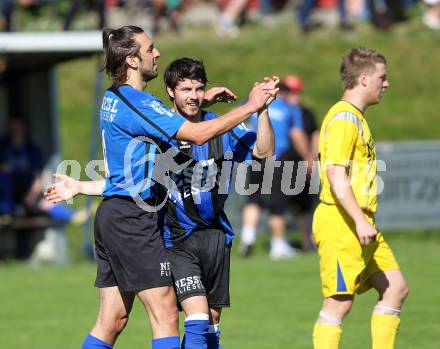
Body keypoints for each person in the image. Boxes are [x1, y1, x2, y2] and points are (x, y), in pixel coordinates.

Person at [45, 25, 277, 349]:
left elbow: (148, 138)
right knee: (167, 311)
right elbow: (195, 135)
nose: (157, 53)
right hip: (133, 219)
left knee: (112, 320)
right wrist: (250, 107)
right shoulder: (138, 103)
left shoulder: (115, 97)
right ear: (132, 60)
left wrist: (199, 99)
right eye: (150, 48)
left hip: (115, 212)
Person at [312, 47, 408, 349]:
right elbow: (335, 174)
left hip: (359, 221)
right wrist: (358, 220)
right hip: (342, 222)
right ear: (364, 78)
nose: (387, 83)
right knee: (338, 303)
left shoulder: (355, 117)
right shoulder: (343, 118)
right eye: (383, 77)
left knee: (395, 289)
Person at [239, 79, 312, 259]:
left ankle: (247, 238)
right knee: (276, 203)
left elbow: (235, 117)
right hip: (277, 158)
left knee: (253, 199)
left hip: (254, 157)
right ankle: (278, 245)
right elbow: (297, 134)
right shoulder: (290, 109)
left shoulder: (252, 104)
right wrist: (308, 157)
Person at [279, 74, 319, 252]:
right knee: (283, 205)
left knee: (306, 205)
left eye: (295, 92)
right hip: (284, 164)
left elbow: (315, 135)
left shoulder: (305, 113)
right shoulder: (282, 112)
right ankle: (281, 242)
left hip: (302, 164)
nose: (292, 96)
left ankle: (309, 241)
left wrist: (312, 158)